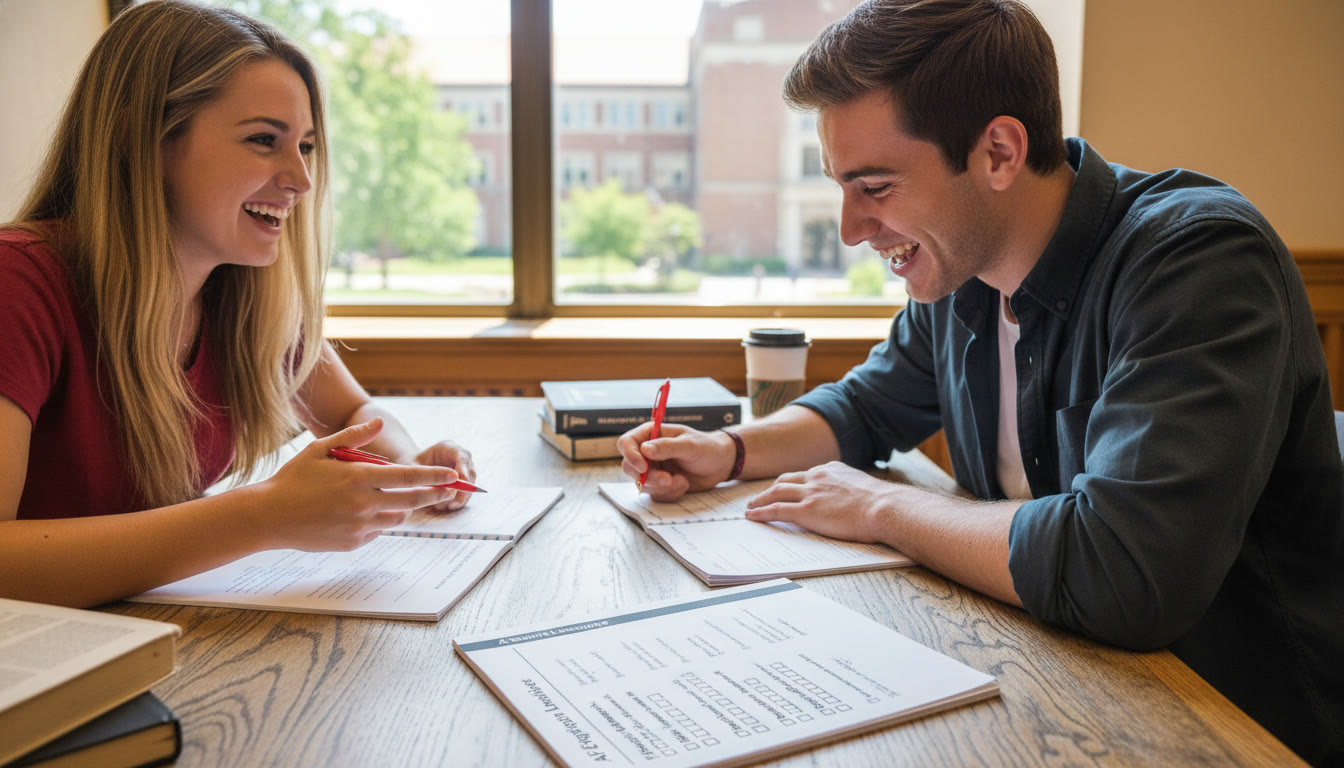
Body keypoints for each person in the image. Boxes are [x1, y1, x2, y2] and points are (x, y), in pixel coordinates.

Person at [618, 0, 1344, 763]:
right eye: (840, 186)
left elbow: (1127, 572)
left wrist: (881, 508)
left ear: (998, 152)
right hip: (1057, 685)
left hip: (1231, 729)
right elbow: (866, 407)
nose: (850, 228)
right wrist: (726, 450)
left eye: (876, 186)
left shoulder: (1198, 262)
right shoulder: (959, 270)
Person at [0, 1, 476, 610]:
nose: (301, 180)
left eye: (305, 146)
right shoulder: (19, 284)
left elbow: (353, 410)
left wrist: (409, 467)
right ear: (135, 136)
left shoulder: (247, 300)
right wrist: (261, 516)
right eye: (262, 140)